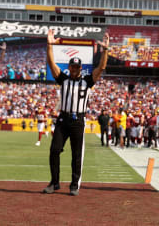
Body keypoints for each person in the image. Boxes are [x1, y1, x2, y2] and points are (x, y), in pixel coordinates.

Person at [42, 29, 109, 196]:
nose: (74, 69)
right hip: (63, 119)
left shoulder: (87, 81)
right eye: (72, 66)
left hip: (78, 120)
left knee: (76, 154)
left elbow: (101, 67)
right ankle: (54, 182)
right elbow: (51, 64)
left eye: (77, 66)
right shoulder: (63, 79)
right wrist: (50, 45)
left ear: (80, 68)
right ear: (69, 66)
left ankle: (74, 185)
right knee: (55, 150)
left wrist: (105, 50)